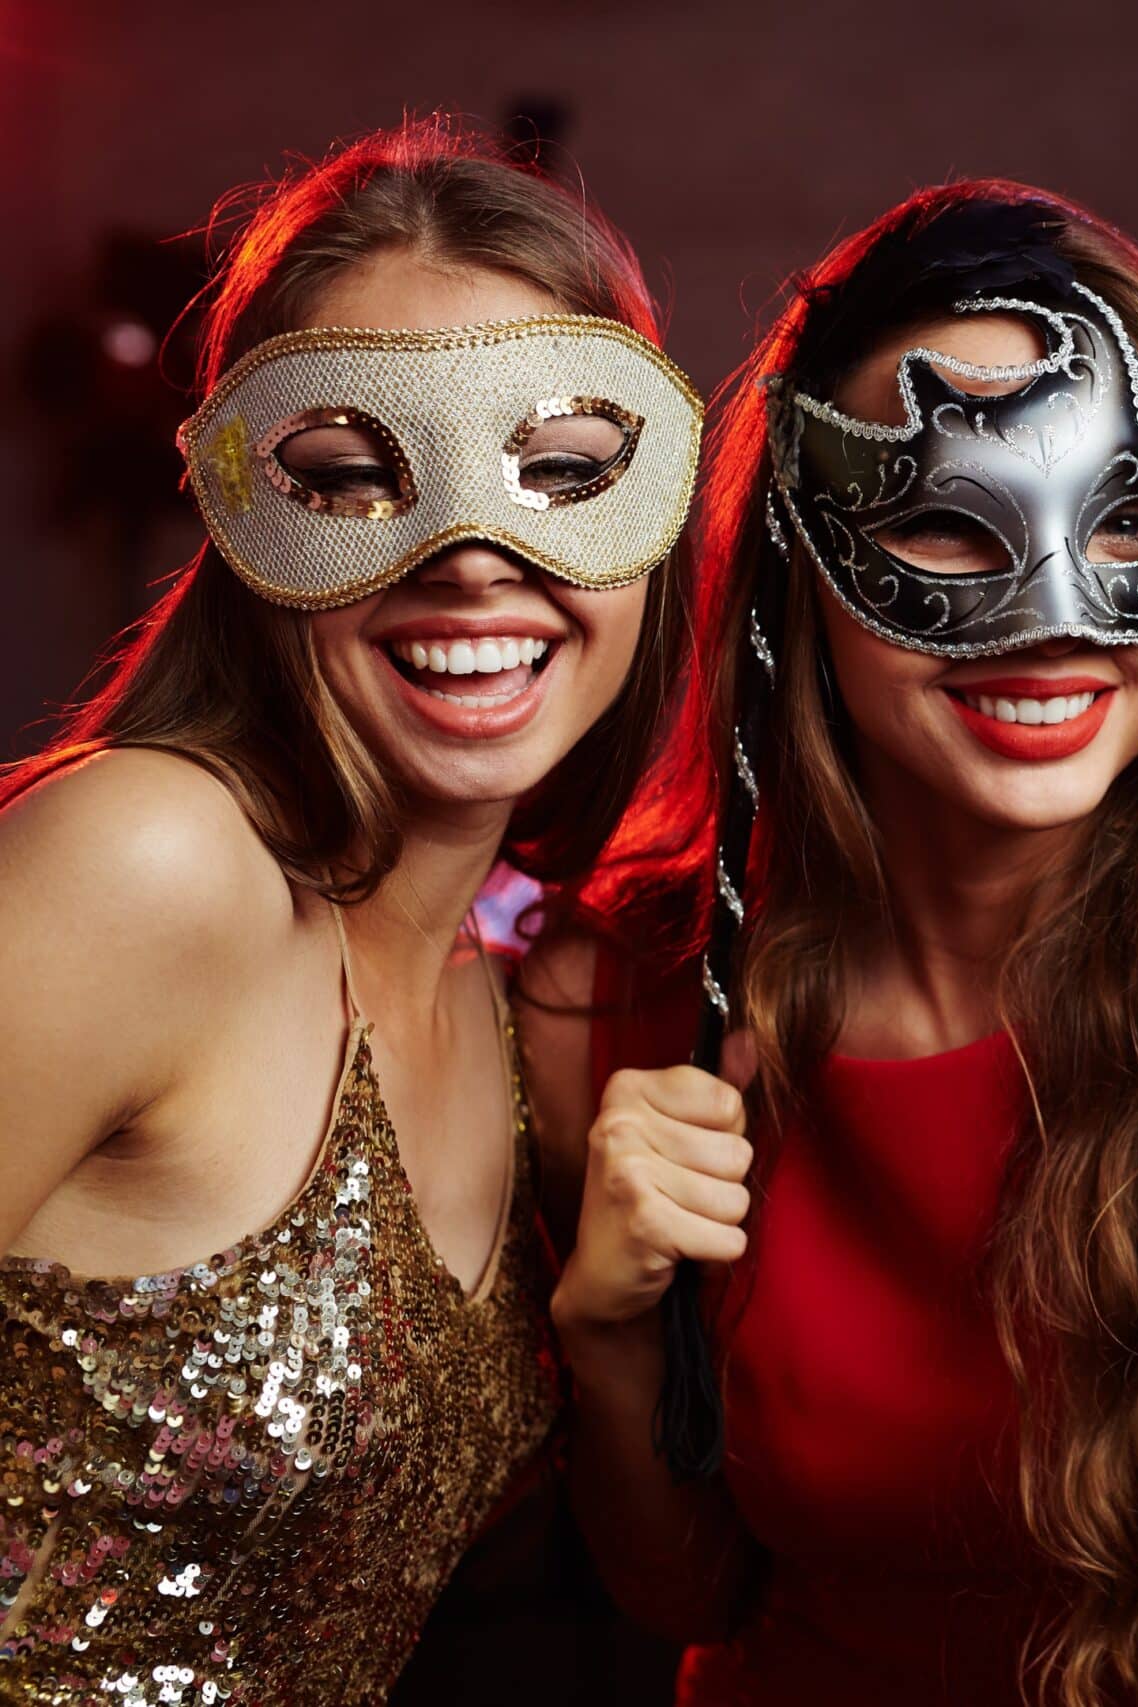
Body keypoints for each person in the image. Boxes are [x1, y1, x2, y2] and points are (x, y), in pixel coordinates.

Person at [518, 183, 1138, 1705]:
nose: (1053, 622)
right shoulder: (608, 998)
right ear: (803, 564)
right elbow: (685, 1590)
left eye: (1129, 520)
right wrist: (607, 1341)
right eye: (945, 522)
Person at [0, 118, 699, 1704]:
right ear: (244, 519)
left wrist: (610, 1333)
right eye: (347, 475)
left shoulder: (520, 997)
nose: (471, 557)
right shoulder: (155, 862)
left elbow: (687, 1583)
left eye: (566, 473)